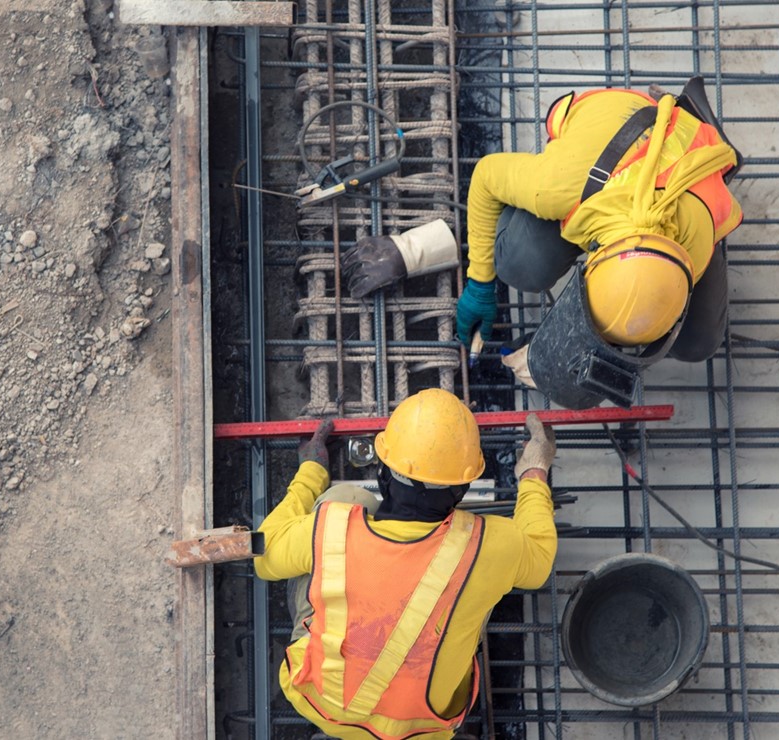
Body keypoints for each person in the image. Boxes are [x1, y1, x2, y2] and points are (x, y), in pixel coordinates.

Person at [254, 389, 558, 739]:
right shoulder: (490, 544)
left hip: (323, 704)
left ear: (383, 475)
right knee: (477, 578)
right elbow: (539, 560)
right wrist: (534, 470)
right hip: (424, 729)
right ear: (461, 491)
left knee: (344, 499)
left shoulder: (331, 528)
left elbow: (265, 557)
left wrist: (310, 471)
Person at [453, 80, 743, 392]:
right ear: (594, 260)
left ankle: (701, 127)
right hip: (613, 126)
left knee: (697, 343)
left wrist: (563, 349)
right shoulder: (558, 185)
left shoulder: (696, 243)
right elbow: (484, 176)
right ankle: (682, 112)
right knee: (519, 262)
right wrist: (480, 282)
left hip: (688, 164)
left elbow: (635, 310)